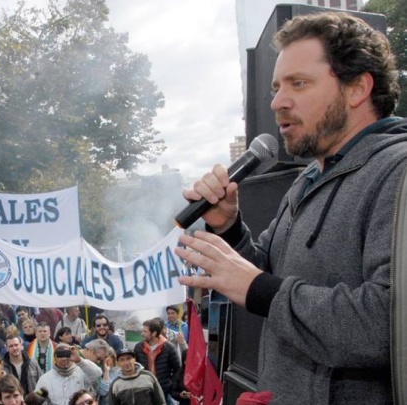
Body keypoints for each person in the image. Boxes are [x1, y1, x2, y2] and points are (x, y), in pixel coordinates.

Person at [175, 11, 406, 404]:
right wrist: (228, 227)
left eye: (298, 84)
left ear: (357, 89)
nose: (278, 102)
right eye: (276, 87)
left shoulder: (397, 173)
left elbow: (387, 324)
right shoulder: (308, 179)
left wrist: (260, 289)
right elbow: (264, 273)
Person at [34, 344, 102, 405]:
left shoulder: (82, 373)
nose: (64, 359)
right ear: (55, 357)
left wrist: (79, 360)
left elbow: (98, 373)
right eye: (60, 355)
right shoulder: (45, 379)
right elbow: (37, 398)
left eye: (67, 355)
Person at [132, 318, 180, 402]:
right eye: (142, 331)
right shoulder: (138, 347)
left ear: (154, 333)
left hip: (163, 390)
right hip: (144, 389)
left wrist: (170, 384)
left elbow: (177, 369)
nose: (142, 334)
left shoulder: (169, 347)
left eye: (145, 331)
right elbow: (135, 367)